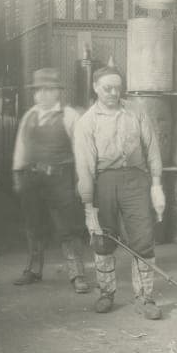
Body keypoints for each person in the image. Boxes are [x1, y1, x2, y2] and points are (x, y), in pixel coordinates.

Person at [73, 66, 166, 319]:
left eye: (118, 87)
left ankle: (145, 298)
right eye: (107, 88)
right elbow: (84, 168)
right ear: (95, 88)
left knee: (143, 238)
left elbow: (152, 149)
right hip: (104, 182)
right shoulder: (87, 123)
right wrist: (88, 206)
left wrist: (156, 186)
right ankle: (106, 293)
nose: (114, 93)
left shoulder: (136, 112)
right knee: (103, 239)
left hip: (137, 180)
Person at [11, 68, 90, 294]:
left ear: (58, 93)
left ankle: (77, 274)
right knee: (33, 225)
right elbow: (21, 148)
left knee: (68, 227)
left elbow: (81, 151)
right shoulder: (29, 116)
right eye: (38, 91)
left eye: (49, 90)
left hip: (61, 179)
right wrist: (18, 175)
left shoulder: (70, 116)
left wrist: (81, 180)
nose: (43, 95)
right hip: (32, 179)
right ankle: (34, 270)